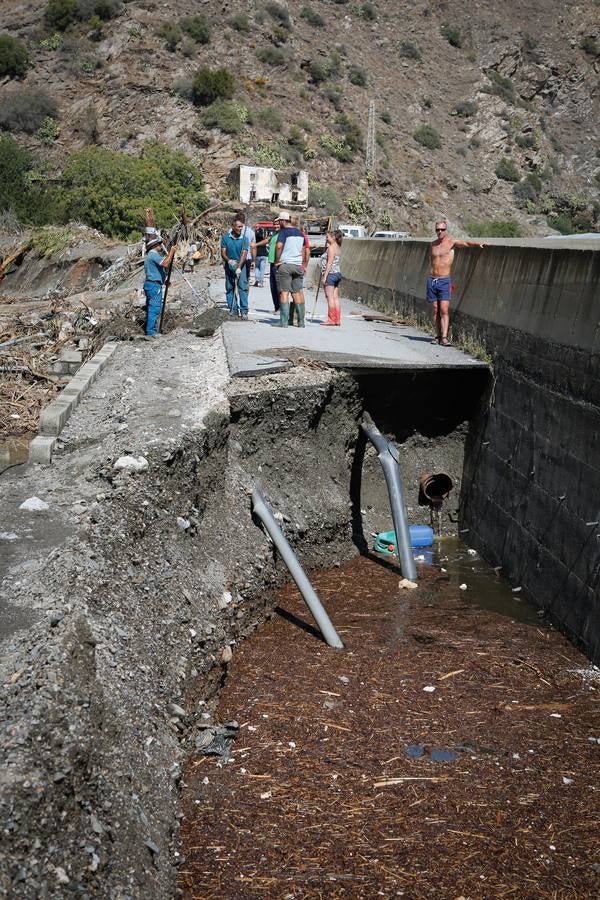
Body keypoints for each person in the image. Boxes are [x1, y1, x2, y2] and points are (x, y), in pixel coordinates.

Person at [428, 220, 485, 346]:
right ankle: (437, 336)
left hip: (444, 280)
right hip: (432, 280)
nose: (440, 232)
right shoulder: (432, 244)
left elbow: (465, 243)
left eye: (442, 229)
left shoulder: (451, 243)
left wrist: (477, 244)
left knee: (444, 309)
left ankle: (444, 337)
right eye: (437, 229)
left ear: (446, 230)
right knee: (435, 309)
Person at [275, 211, 310, 327]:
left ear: (283, 221)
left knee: (284, 292)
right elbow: (305, 250)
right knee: (297, 293)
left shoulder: (283, 232)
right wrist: (304, 264)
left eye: (279, 221)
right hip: (297, 265)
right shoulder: (300, 233)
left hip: (285, 265)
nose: (278, 223)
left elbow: (279, 246)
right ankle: (301, 322)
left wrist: (276, 260)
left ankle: (284, 322)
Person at [142, 234, 178, 338]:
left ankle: (150, 330)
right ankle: (151, 333)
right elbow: (166, 264)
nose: (160, 245)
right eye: (158, 244)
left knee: (151, 308)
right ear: (154, 245)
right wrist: (171, 252)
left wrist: (164, 280)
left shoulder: (150, 256)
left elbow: (156, 270)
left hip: (151, 284)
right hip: (154, 285)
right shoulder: (153, 255)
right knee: (154, 309)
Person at [220, 217, 250, 318]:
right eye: (238, 227)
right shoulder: (225, 238)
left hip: (241, 265)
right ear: (233, 227)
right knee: (229, 287)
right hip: (229, 264)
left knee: (242, 287)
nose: (240, 229)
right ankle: (233, 309)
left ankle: (244, 310)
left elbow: (244, 254)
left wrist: (239, 267)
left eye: (242, 227)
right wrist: (229, 261)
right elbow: (223, 252)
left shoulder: (244, 239)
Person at [320, 230, 343, 326]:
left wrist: (325, 276)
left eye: (328, 237)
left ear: (333, 238)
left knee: (330, 298)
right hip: (337, 273)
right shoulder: (337, 247)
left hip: (331, 274)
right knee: (335, 298)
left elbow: (329, 263)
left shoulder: (331, 248)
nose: (326, 238)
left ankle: (331, 319)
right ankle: (337, 319)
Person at [267, 217, 282, 312]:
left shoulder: (282, 234)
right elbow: (267, 240)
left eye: (277, 224)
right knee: (273, 286)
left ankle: (281, 308)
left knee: (278, 286)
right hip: (272, 262)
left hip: (278, 263)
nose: (276, 226)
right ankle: (277, 307)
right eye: (274, 224)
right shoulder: (274, 234)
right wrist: (255, 245)